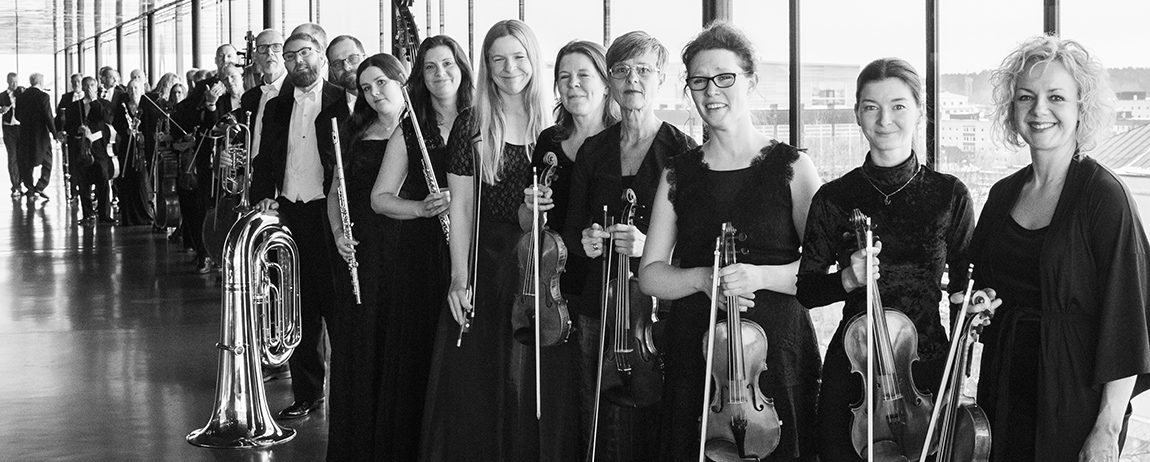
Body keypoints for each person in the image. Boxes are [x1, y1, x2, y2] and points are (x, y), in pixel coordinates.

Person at [636, 23, 821, 462]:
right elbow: (650, 275)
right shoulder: (677, 173)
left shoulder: (794, 167)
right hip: (698, 356)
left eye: (724, 77)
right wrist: (703, 278)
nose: (711, 91)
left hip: (776, 357)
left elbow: (821, 271)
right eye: (699, 81)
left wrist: (758, 276)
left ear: (750, 81)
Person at [969, 35, 1150, 462]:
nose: (1039, 110)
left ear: (1080, 109)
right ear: (1012, 109)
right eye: (1026, 97)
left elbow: (1129, 320)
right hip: (1003, 390)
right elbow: (984, 290)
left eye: (1056, 97)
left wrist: (1107, 427)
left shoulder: (1104, 196)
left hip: (1073, 402)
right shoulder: (1002, 194)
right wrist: (979, 305)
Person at [794, 57, 978, 461]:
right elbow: (806, 291)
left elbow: (964, 294)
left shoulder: (949, 195)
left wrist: (959, 368)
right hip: (854, 373)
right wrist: (848, 278)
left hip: (925, 369)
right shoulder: (834, 198)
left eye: (898, 106)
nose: (884, 119)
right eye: (871, 107)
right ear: (857, 114)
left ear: (919, 112)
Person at [420, 19, 552, 462]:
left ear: (533, 60)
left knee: (532, 382)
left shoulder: (554, 124)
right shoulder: (472, 124)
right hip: (489, 264)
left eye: (518, 57)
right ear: (486, 66)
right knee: (480, 382)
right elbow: (460, 207)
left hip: (542, 266)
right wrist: (459, 278)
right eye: (498, 60)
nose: (510, 68)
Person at [562, 30, 697, 461]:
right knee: (596, 411)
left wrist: (650, 247)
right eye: (621, 70)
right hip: (597, 303)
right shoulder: (593, 150)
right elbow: (571, 229)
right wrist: (586, 241)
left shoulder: (682, 151)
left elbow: (697, 240)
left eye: (643, 70)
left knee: (658, 412)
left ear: (661, 78)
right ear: (611, 80)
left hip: (656, 311)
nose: (632, 79)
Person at [369, 34, 471, 461]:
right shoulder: (411, 128)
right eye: (430, 67)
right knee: (423, 354)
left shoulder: (484, 121)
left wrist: (464, 200)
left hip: (472, 247)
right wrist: (420, 208)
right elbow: (379, 198)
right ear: (420, 77)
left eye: (447, 64)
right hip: (423, 255)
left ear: (462, 69)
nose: (439, 73)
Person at [516, 39, 617, 461]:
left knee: (600, 402)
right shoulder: (549, 141)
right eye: (563, 77)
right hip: (553, 286)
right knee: (560, 401)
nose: (572, 84)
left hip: (604, 288)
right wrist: (530, 206)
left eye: (583, 75)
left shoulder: (621, 143)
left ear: (605, 83)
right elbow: (529, 225)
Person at [250, 31, 350, 420]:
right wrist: (263, 196)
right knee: (297, 303)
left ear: (321, 57)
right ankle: (307, 393)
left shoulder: (342, 100)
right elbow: (263, 160)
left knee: (339, 303)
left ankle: (348, 393)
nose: (297, 61)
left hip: (331, 213)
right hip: (291, 212)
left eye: (304, 53)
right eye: (290, 56)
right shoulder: (276, 106)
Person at [323, 53, 406, 462]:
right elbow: (335, 193)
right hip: (360, 254)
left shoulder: (421, 131)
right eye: (366, 88)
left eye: (381, 83)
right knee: (360, 345)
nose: (374, 94)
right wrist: (339, 234)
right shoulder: (356, 131)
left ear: (401, 80)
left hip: (405, 250)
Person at [65, 76, 115, 225]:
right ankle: (88, 214)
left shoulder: (104, 104)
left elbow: (107, 118)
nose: (88, 88)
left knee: (103, 180)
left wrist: (94, 101)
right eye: (86, 85)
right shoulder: (74, 106)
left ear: (96, 87)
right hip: (81, 148)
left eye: (92, 85)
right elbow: (68, 126)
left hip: (99, 148)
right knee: (83, 181)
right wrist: (78, 129)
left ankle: (104, 215)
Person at [112, 79, 154, 225]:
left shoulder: (147, 105)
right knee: (127, 181)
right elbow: (116, 123)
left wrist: (141, 132)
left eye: (136, 88)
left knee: (141, 181)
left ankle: (144, 215)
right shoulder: (122, 107)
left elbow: (151, 124)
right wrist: (126, 130)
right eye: (130, 89)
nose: (133, 91)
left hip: (142, 149)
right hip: (127, 148)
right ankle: (129, 217)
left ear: (142, 89)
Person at [14, 73, 57, 200]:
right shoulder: (43, 96)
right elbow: (48, 117)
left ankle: (30, 187)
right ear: (41, 82)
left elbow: (17, 116)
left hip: (25, 133)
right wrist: (55, 134)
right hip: (41, 133)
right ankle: (41, 185)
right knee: (47, 160)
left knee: (26, 161)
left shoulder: (21, 97)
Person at [327, 35, 366, 113]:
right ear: (332, 70)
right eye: (337, 64)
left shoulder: (388, 100)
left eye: (352, 58)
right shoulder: (326, 116)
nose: (346, 67)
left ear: (365, 58)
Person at [1, 72, 24, 197]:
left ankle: (22, 183)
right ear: (7, 82)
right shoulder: (2, 96)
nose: (14, 85)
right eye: (11, 82)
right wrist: (1, 110)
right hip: (8, 129)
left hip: (21, 128)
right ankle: (16, 186)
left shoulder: (22, 94)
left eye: (16, 82)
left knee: (22, 157)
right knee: (12, 157)